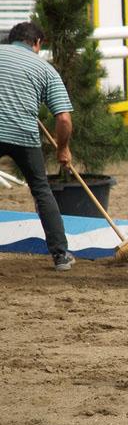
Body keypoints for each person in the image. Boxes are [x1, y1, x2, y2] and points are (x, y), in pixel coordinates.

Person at [0, 22, 76, 271]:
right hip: (24, 134)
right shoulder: (44, 68)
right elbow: (63, 119)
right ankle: (60, 255)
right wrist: (62, 149)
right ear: (37, 43)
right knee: (41, 190)